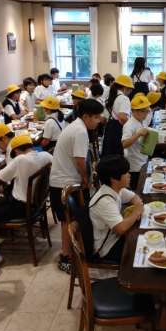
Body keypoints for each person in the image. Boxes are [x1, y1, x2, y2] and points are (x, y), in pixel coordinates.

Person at [0, 134, 52, 266]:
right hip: (37, 204)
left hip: (19, 206)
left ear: (17, 150)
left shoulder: (20, 160)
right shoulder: (46, 156)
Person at [50, 99, 104, 273]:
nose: (99, 120)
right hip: (65, 183)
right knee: (69, 220)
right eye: (96, 117)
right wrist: (86, 180)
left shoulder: (76, 126)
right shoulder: (80, 131)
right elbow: (80, 161)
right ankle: (66, 256)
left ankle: (71, 252)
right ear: (86, 116)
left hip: (64, 179)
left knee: (71, 219)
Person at [89, 155, 143, 262]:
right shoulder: (105, 201)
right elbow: (121, 228)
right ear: (113, 179)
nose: (129, 175)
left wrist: (137, 207)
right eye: (125, 173)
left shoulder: (116, 188)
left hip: (115, 237)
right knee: (142, 250)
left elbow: (135, 198)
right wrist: (136, 212)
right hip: (107, 248)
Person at [122, 94, 150, 190]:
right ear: (135, 111)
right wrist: (138, 134)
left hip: (143, 160)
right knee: (137, 189)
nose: (146, 114)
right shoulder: (129, 125)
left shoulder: (141, 121)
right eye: (144, 111)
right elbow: (124, 144)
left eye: (147, 111)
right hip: (135, 165)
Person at [102, 75, 134, 156]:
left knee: (109, 154)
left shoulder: (111, 97)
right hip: (118, 129)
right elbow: (122, 117)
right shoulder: (124, 98)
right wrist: (131, 127)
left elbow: (104, 118)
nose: (130, 92)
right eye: (130, 89)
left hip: (109, 128)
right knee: (117, 155)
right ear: (125, 88)